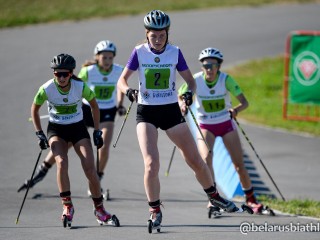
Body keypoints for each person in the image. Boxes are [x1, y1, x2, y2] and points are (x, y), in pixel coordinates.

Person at [117, 10, 240, 231]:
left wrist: (188, 94)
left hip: (171, 111)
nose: (157, 40)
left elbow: (191, 83)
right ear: (147, 34)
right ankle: (154, 210)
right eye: (153, 35)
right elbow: (121, 80)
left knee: (195, 160)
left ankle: (214, 196)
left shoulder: (175, 52)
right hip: (146, 111)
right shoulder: (139, 52)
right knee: (151, 163)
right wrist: (129, 92)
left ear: (167, 33)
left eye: (162, 35)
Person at [18, 40, 126, 201]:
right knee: (66, 143)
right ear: (97, 57)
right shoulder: (89, 71)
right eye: (104, 57)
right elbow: (75, 84)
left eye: (111, 58)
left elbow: (121, 86)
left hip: (106, 113)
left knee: (103, 146)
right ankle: (42, 171)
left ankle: (97, 181)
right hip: (84, 111)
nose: (108, 61)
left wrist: (120, 104)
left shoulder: (118, 70)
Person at [30, 53, 118, 226]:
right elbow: (34, 109)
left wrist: (97, 131)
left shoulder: (79, 86)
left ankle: (99, 209)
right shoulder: (47, 88)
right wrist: (39, 133)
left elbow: (94, 105)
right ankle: (67, 206)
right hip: (57, 129)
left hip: (77, 128)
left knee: (90, 169)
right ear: (53, 73)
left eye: (65, 74)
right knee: (61, 162)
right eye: (58, 74)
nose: (62, 78)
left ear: (71, 73)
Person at [178, 47, 264, 214]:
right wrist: (183, 104)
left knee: (239, 164)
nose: (209, 69)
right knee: (206, 159)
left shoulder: (226, 80)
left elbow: (245, 102)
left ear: (219, 66)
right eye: (205, 65)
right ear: (202, 67)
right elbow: (180, 95)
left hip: (225, 124)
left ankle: (251, 199)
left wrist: (236, 110)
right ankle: (213, 200)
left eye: (213, 65)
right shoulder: (195, 80)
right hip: (205, 125)